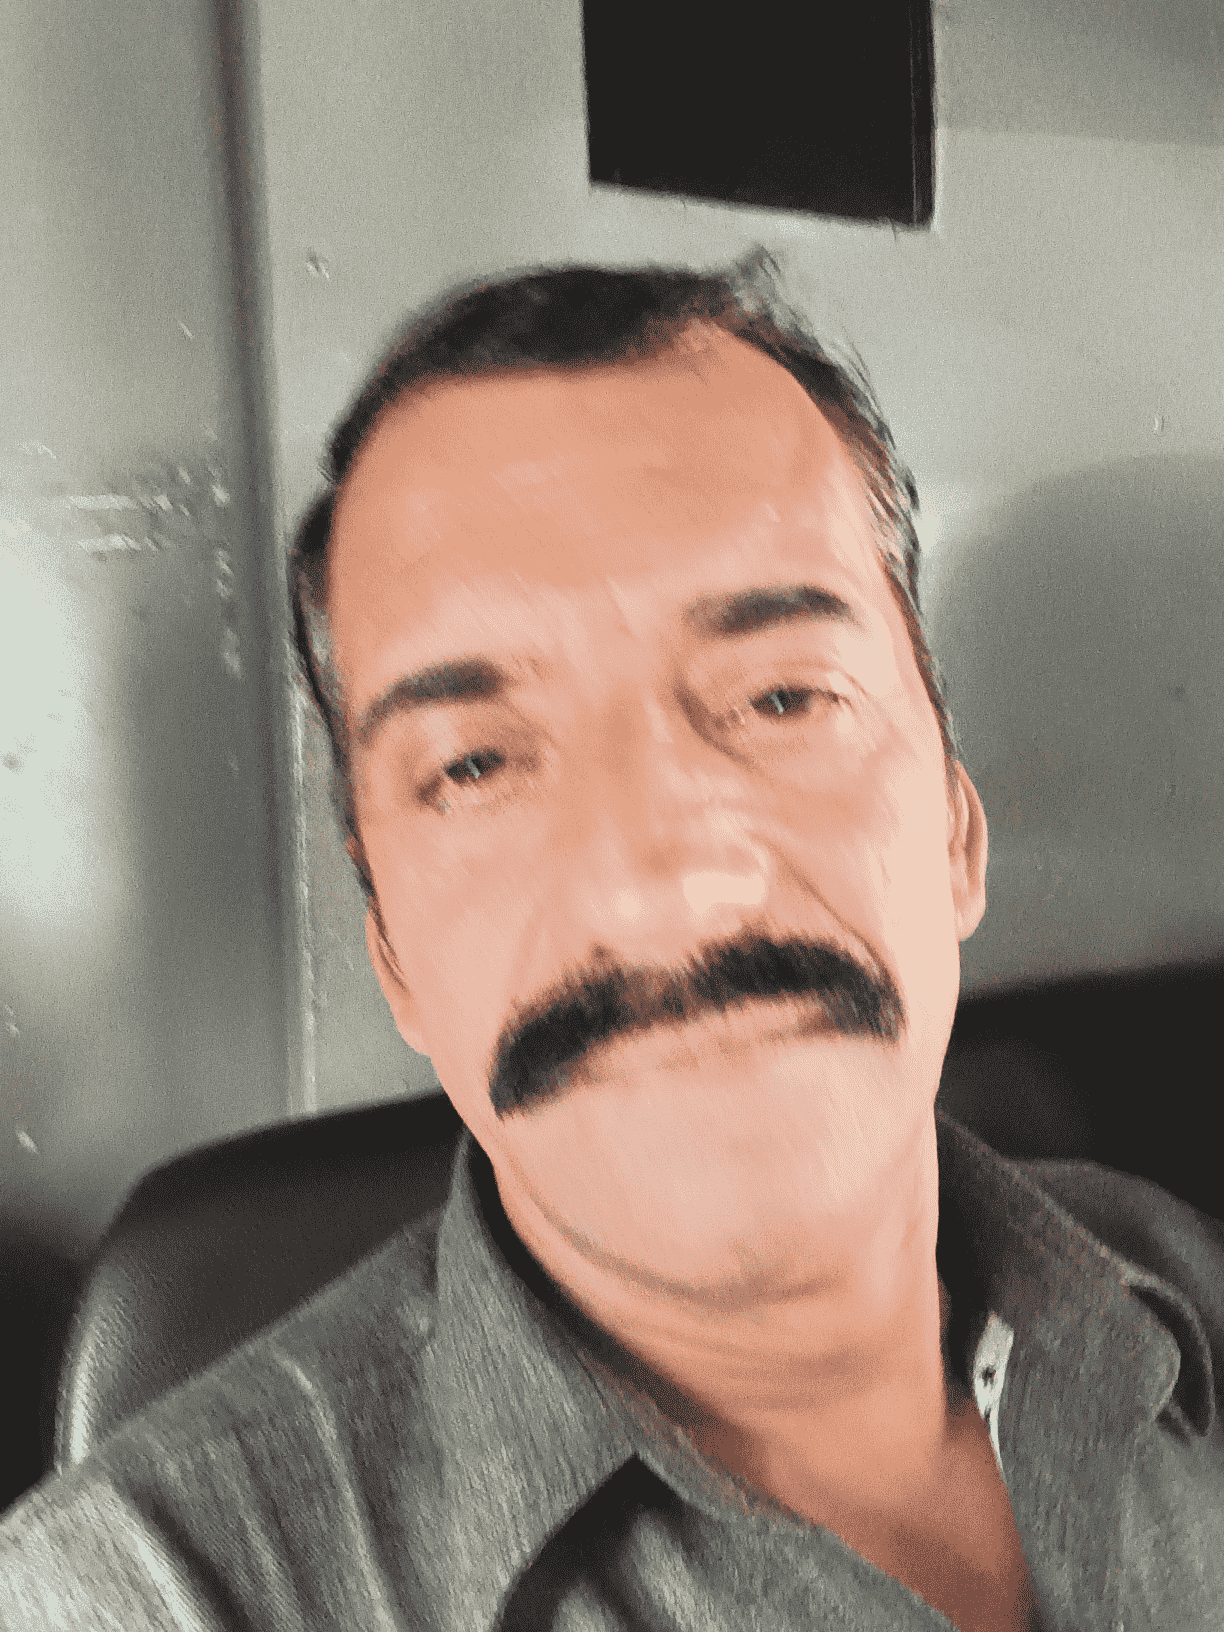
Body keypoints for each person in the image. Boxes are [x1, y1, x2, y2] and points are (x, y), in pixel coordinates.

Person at [4, 250, 1223, 1631]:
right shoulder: (141, 1597)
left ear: (955, 830)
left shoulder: (1191, 1285)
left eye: (781, 698)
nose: (668, 886)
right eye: (476, 765)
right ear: (395, 957)